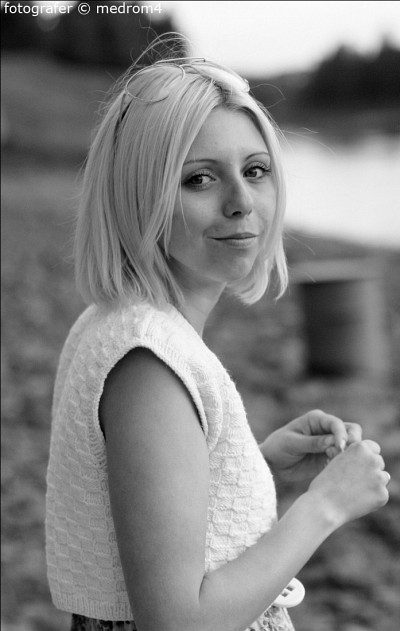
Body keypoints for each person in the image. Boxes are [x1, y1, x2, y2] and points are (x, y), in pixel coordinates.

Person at [45, 34, 390, 631]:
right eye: (199, 179)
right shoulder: (148, 362)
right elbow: (177, 619)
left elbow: (143, 513)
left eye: (255, 171)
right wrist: (325, 506)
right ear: (138, 196)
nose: (241, 202)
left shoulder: (118, 322)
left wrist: (253, 464)